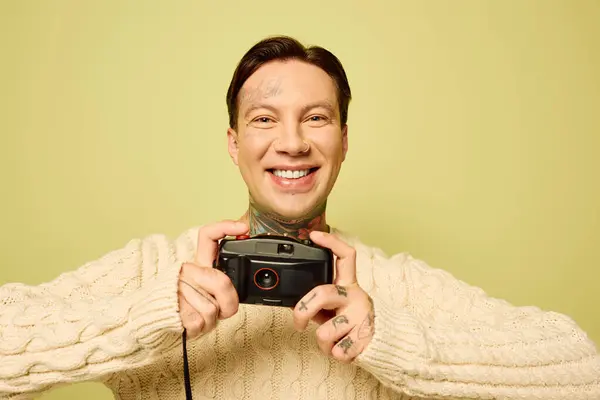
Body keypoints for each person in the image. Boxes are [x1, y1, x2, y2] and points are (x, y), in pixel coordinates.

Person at [1, 35, 599, 400]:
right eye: (264, 119)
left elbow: (583, 369)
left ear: (343, 140)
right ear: (234, 143)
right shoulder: (157, 270)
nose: (292, 143)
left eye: (316, 118)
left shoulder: (393, 286)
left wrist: (396, 343)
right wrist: (144, 317)